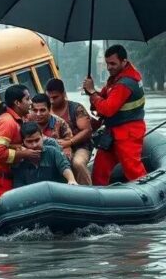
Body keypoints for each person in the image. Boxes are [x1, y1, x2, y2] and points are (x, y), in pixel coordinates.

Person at [82, 44, 147, 186]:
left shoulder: (126, 82)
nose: (109, 67)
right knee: (100, 169)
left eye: (113, 63)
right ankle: (99, 198)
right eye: (107, 63)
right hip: (112, 132)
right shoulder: (116, 79)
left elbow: (108, 109)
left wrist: (93, 92)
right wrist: (91, 92)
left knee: (133, 170)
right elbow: (102, 99)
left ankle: (146, 196)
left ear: (124, 61)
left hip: (128, 132)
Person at [0, 84, 40, 202]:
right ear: (17, 103)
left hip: (9, 179)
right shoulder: (7, 122)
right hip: (1, 183)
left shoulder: (17, 119)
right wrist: (25, 154)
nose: (31, 102)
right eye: (27, 99)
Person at [45, 78, 93, 185]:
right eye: (49, 98)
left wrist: (69, 142)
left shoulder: (76, 108)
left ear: (63, 94)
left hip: (80, 147)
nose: (52, 101)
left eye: (55, 97)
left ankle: (88, 193)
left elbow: (87, 130)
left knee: (78, 163)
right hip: (57, 150)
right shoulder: (45, 111)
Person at [11, 122, 77, 188]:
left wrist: (71, 180)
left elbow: (64, 166)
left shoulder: (52, 151)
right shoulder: (20, 161)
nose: (34, 145)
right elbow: (18, 185)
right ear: (23, 142)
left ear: (42, 137)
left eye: (37, 140)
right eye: (29, 141)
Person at [27, 93, 73, 159]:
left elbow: (67, 145)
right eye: (35, 110)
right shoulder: (26, 120)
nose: (38, 114)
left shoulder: (60, 123)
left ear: (49, 109)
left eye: (42, 110)